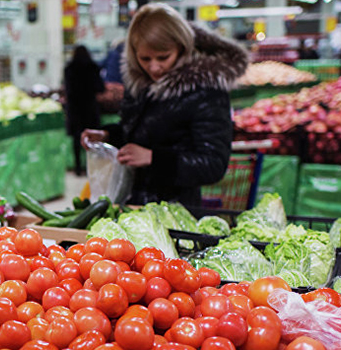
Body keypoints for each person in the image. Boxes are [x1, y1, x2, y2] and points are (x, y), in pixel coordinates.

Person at [80, 3, 248, 206]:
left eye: (163, 57)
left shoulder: (205, 90)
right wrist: (108, 136)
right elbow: (139, 133)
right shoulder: (141, 84)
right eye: (145, 58)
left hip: (177, 211)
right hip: (134, 204)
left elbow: (213, 164)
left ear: (182, 47)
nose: (154, 67)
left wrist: (154, 158)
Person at [64, 45, 105, 176]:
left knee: (77, 139)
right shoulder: (93, 67)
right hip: (90, 108)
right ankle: (91, 167)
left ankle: (77, 167)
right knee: (92, 140)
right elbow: (100, 87)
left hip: (75, 108)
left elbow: (67, 89)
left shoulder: (69, 68)